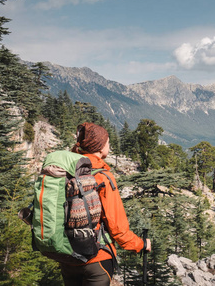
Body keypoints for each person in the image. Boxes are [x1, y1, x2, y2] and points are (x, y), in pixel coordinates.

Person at [60, 122, 152, 286]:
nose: (109, 146)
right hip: (97, 258)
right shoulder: (102, 177)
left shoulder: (66, 173)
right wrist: (141, 244)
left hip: (67, 258)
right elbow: (118, 229)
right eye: (108, 142)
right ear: (100, 147)